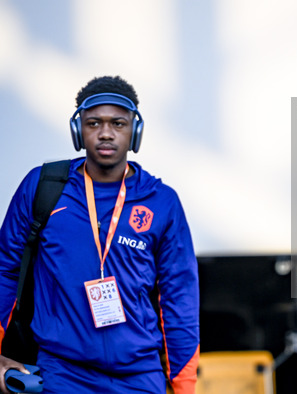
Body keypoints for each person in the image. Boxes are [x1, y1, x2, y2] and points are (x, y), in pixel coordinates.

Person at [0, 76, 200, 393]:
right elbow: (5, 270)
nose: (106, 133)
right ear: (78, 129)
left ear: (135, 131)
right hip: (62, 374)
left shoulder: (162, 202)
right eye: (94, 122)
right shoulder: (43, 187)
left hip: (140, 376)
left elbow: (180, 299)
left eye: (118, 123)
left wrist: (183, 385)